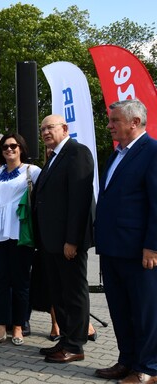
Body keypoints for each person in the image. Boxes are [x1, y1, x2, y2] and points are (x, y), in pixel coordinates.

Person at [94, 99, 157, 383]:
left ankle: (148, 368)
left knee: (144, 312)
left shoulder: (152, 151)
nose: (109, 126)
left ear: (134, 122)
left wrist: (152, 245)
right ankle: (127, 360)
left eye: (114, 121)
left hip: (138, 251)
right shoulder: (116, 154)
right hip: (113, 248)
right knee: (120, 310)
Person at [33, 114, 94, 363]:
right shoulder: (54, 156)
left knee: (74, 293)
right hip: (50, 242)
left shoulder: (76, 153)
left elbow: (79, 201)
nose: (46, 132)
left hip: (68, 242)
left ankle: (76, 346)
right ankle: (66, 339)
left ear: (65, 128)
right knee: (59, 293)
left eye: (50, 127)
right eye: (42, 129)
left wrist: (73, 240)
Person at [0, 133, 40, 347]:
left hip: (21, 234)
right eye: (5, 146)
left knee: (21, 283)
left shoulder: (33, 172)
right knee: (0, 283)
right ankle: (0, 328)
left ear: (21, 148)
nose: (9, 149)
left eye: (13, 146)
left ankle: (18, 326)